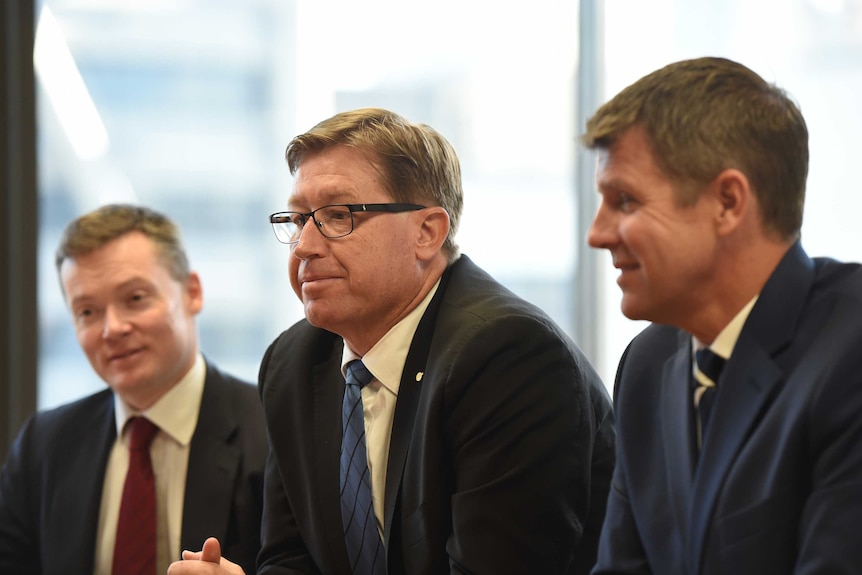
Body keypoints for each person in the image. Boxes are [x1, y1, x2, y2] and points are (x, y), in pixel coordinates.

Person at [170, 107, 615, 575]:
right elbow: (292, 558)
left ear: (427, 232)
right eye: (298, 220)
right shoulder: (295, 361)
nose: (304, 246)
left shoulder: (507, 355)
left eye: (337, 216)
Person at [584, 56, 862, 574]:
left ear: (728, 202)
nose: (597, 234)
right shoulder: (647, 363)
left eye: (624, 200)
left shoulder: (852, 352)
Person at [0, 204, 268, 575]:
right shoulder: (43, 446)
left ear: (192, 292)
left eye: (135, 299)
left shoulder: (274, 433)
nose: (112, 328)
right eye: (87, 312)